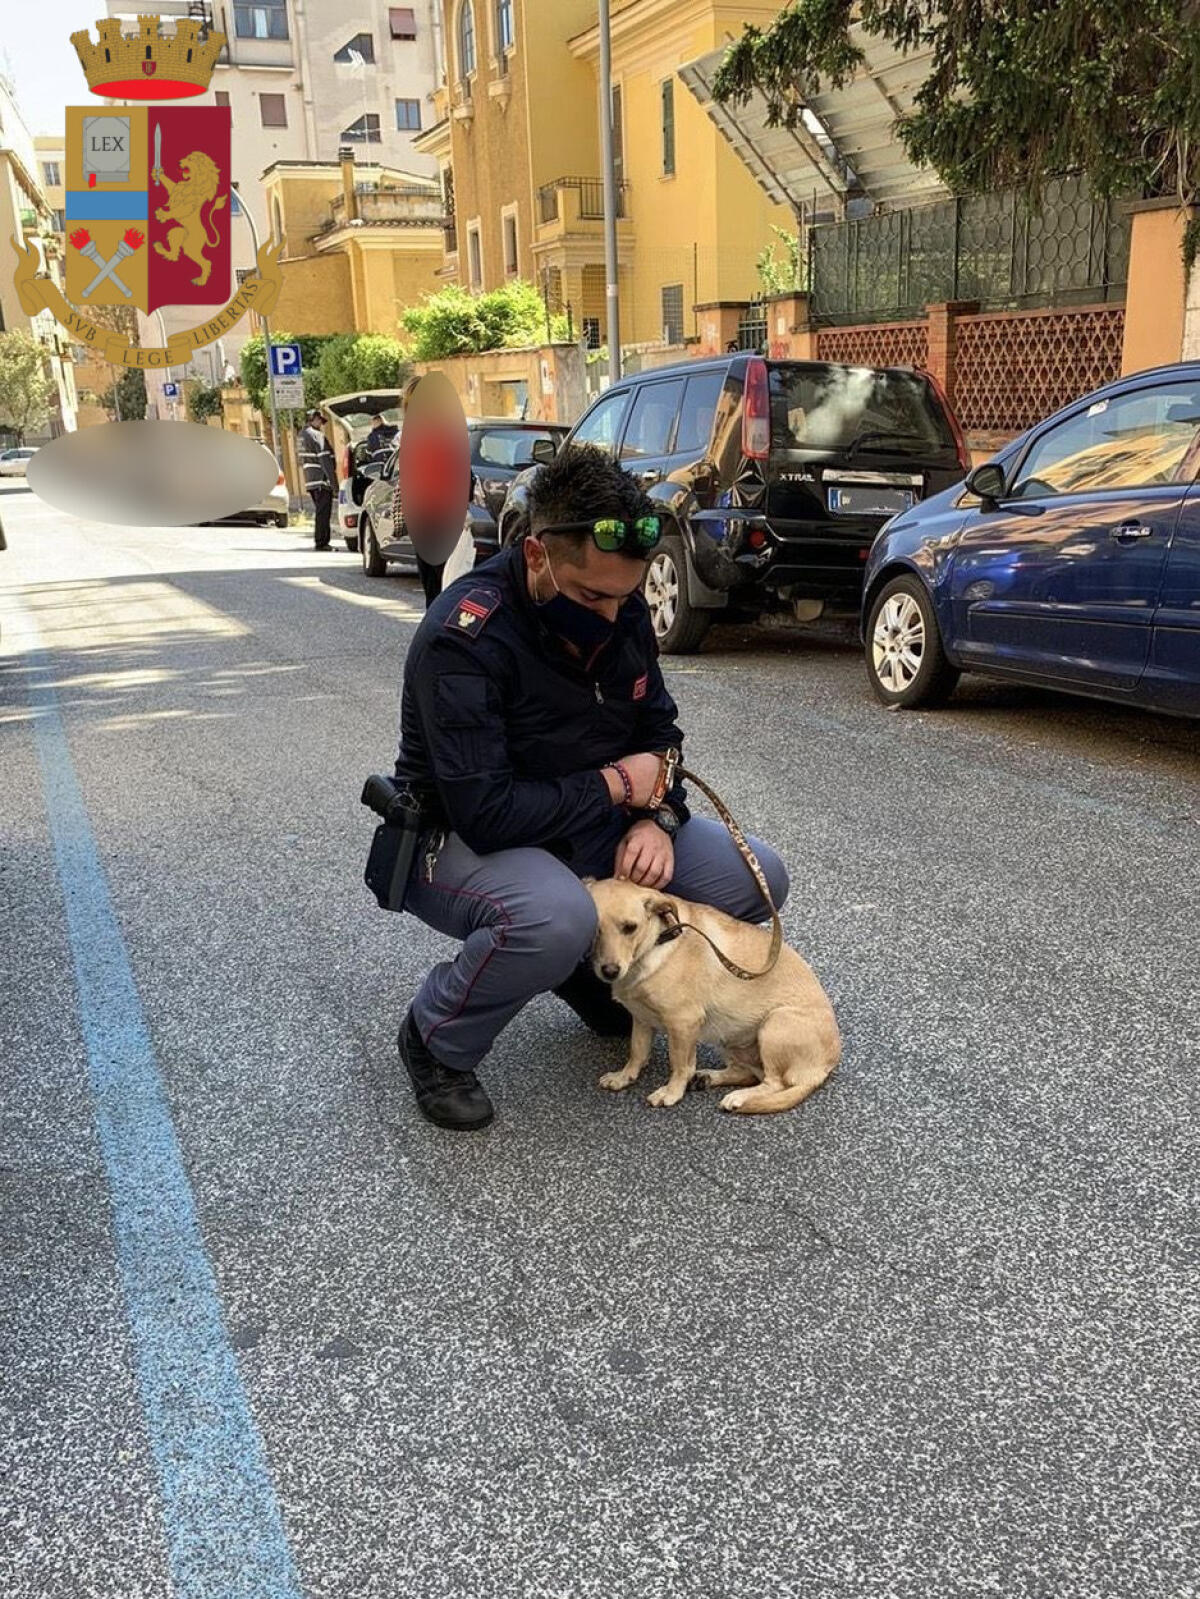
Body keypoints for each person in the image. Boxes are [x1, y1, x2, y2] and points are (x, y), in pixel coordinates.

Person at [390, 445, 790, 1131]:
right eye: (591, 596)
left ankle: (588, 969)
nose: (612, 615)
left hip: (594, 826)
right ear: (538, 555)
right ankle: (437, 1036)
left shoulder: (620, 607)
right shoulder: (465, 640)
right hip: (460, 839)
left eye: (625, 596)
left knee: (757, 876)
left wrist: (658, 819)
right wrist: (613, 786)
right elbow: (486, 812)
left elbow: (661, 736)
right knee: (554, 915)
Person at [297, 409, 336, 551]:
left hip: (310, 480)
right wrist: (334, 484)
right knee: (323, 513)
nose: (321, 424)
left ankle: (321, 540)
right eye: (319, 420)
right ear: (313, 419)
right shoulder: (317, 435)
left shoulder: (301, 435)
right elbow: (325, 459)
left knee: (320, 511)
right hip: (321, 479)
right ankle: (322, 542)